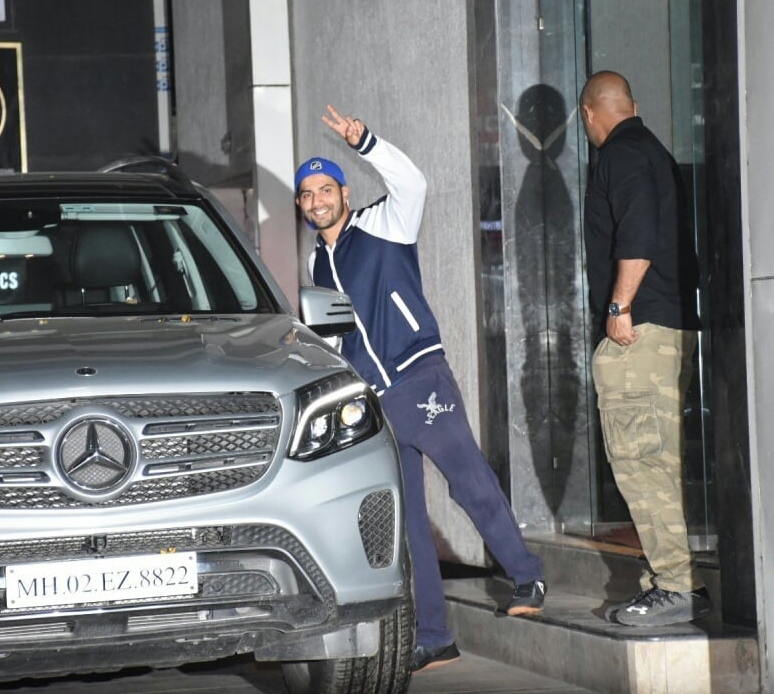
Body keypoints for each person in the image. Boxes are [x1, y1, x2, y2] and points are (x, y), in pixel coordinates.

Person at [295, 105, 545, 672]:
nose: (317, 201)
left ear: (342, 191)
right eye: (306, 195)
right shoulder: (318, 263)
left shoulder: (382, 225)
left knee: (469, 480)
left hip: (418, 376)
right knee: (409, 522)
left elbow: (414, 182)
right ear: (301, 205)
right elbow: (335, 337)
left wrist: (366, 141)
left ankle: (528, 578)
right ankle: (435, 634)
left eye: (324, 190)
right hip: (376, 403)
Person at [579, 71, 711, 627]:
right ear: (632, 105)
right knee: (659, 459)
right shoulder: (653, 151)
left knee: (642, 463)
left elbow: (638, 237)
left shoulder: (621, 155)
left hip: (641, 330)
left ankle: (676, 586)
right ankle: (677, 581)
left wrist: (618, 309)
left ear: (589, 115)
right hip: (668, 325)